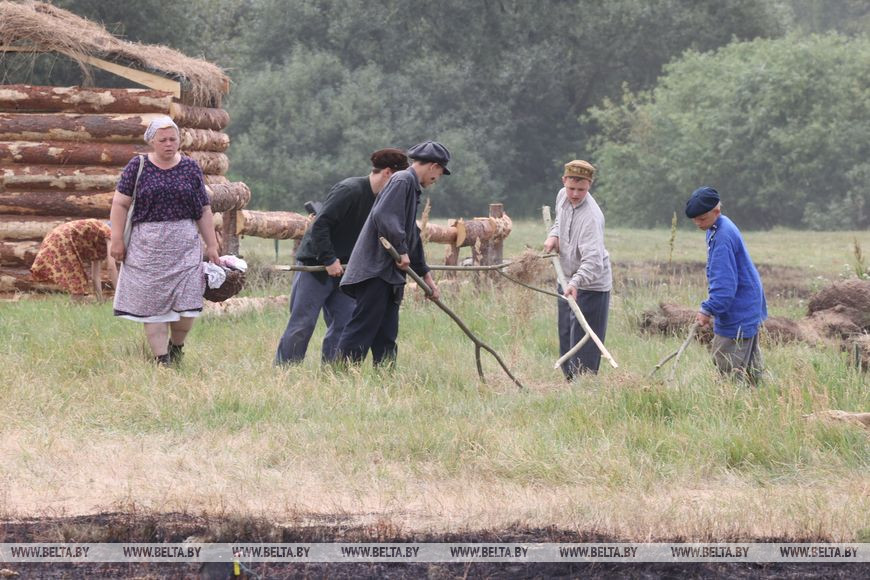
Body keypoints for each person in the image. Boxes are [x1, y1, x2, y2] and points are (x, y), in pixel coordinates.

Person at [274, 148, 410, 365]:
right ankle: (285, 370)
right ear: (387, 173)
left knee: (345, 323)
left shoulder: (383, 201)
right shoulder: (349, 190)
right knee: (302, 323)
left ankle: (333, 371)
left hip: (348, 271)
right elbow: (321, 225)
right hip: (316, 266)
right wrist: (329, 259)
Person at [109, 115, 221, 366]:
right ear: (151, 141)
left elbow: (203, 209)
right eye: (163, 140)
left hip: (185, 248)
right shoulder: (138, 166)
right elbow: (120, 204)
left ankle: (177, 346)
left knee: (188, 306)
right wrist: (116, 239)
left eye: (173, 139)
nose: (169, 144)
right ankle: (162, 360)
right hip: (147, 250)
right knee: (154, 308)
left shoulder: (190, 168)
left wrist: (212, 244)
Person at [336, 141, 450, 366]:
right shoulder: (402, 180)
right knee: (363, 327)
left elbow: (412, 235)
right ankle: (341, 373)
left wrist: (426, 277)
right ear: (434, 166)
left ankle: (385, 376)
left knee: (387, 333)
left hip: (389, 275)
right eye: (440, 172)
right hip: (375, 270)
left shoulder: (411, 187)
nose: (437, 178)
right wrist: (401, 249)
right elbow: (384, 215)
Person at [686, 186, 767, 383]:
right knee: (751, 371)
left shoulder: (722, 237)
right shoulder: (718, 226)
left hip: (738, 311)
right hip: (748, 306)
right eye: (694, 219)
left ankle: (733, 399)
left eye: (702, 218)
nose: (698, 223)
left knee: (728, 366)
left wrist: (708, 309)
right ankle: (763, 396)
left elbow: (724, 284)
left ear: (717, 211)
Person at [543, 160, 612, 379]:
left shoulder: (592, 217)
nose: (574, 194)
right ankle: (569, 383)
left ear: (589, 185)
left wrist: (576, 282)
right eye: (571, 188)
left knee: (585, 343)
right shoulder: (561, 197)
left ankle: (585, 386)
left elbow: (594, 262)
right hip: (565, 278)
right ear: (564, 181)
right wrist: (554, 236)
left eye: (581, 190)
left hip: (590, 285)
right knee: (566, 335)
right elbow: (559, 222)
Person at [30, 219, 118, 300]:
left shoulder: (99, 238)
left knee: (78, 284)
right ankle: (70, 309)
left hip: (55, 236)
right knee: (78, 284)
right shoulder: (110, 232)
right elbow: (111, 267)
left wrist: (100, 300)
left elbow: (96, 277)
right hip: (62, 238)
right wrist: (121, 295)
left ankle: (72, 308)